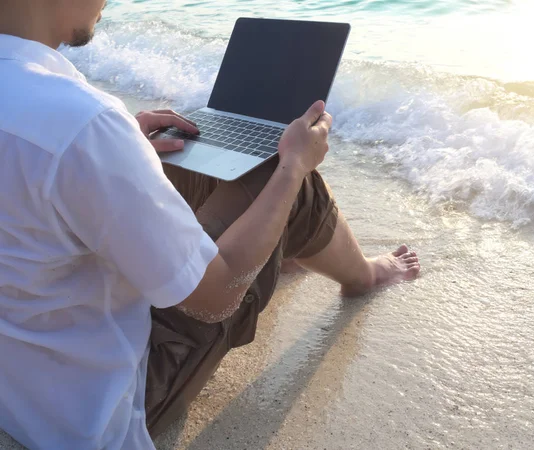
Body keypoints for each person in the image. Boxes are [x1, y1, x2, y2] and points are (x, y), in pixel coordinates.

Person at [0, 1, 421, 449]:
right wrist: (294, 167)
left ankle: (280, 251)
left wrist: (123, 143)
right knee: (279, 177)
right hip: (89, 415)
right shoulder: (85, 124)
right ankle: (364, 274)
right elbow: (213, 300)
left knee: (180, 159)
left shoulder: (73, 121)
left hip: (19, 377)